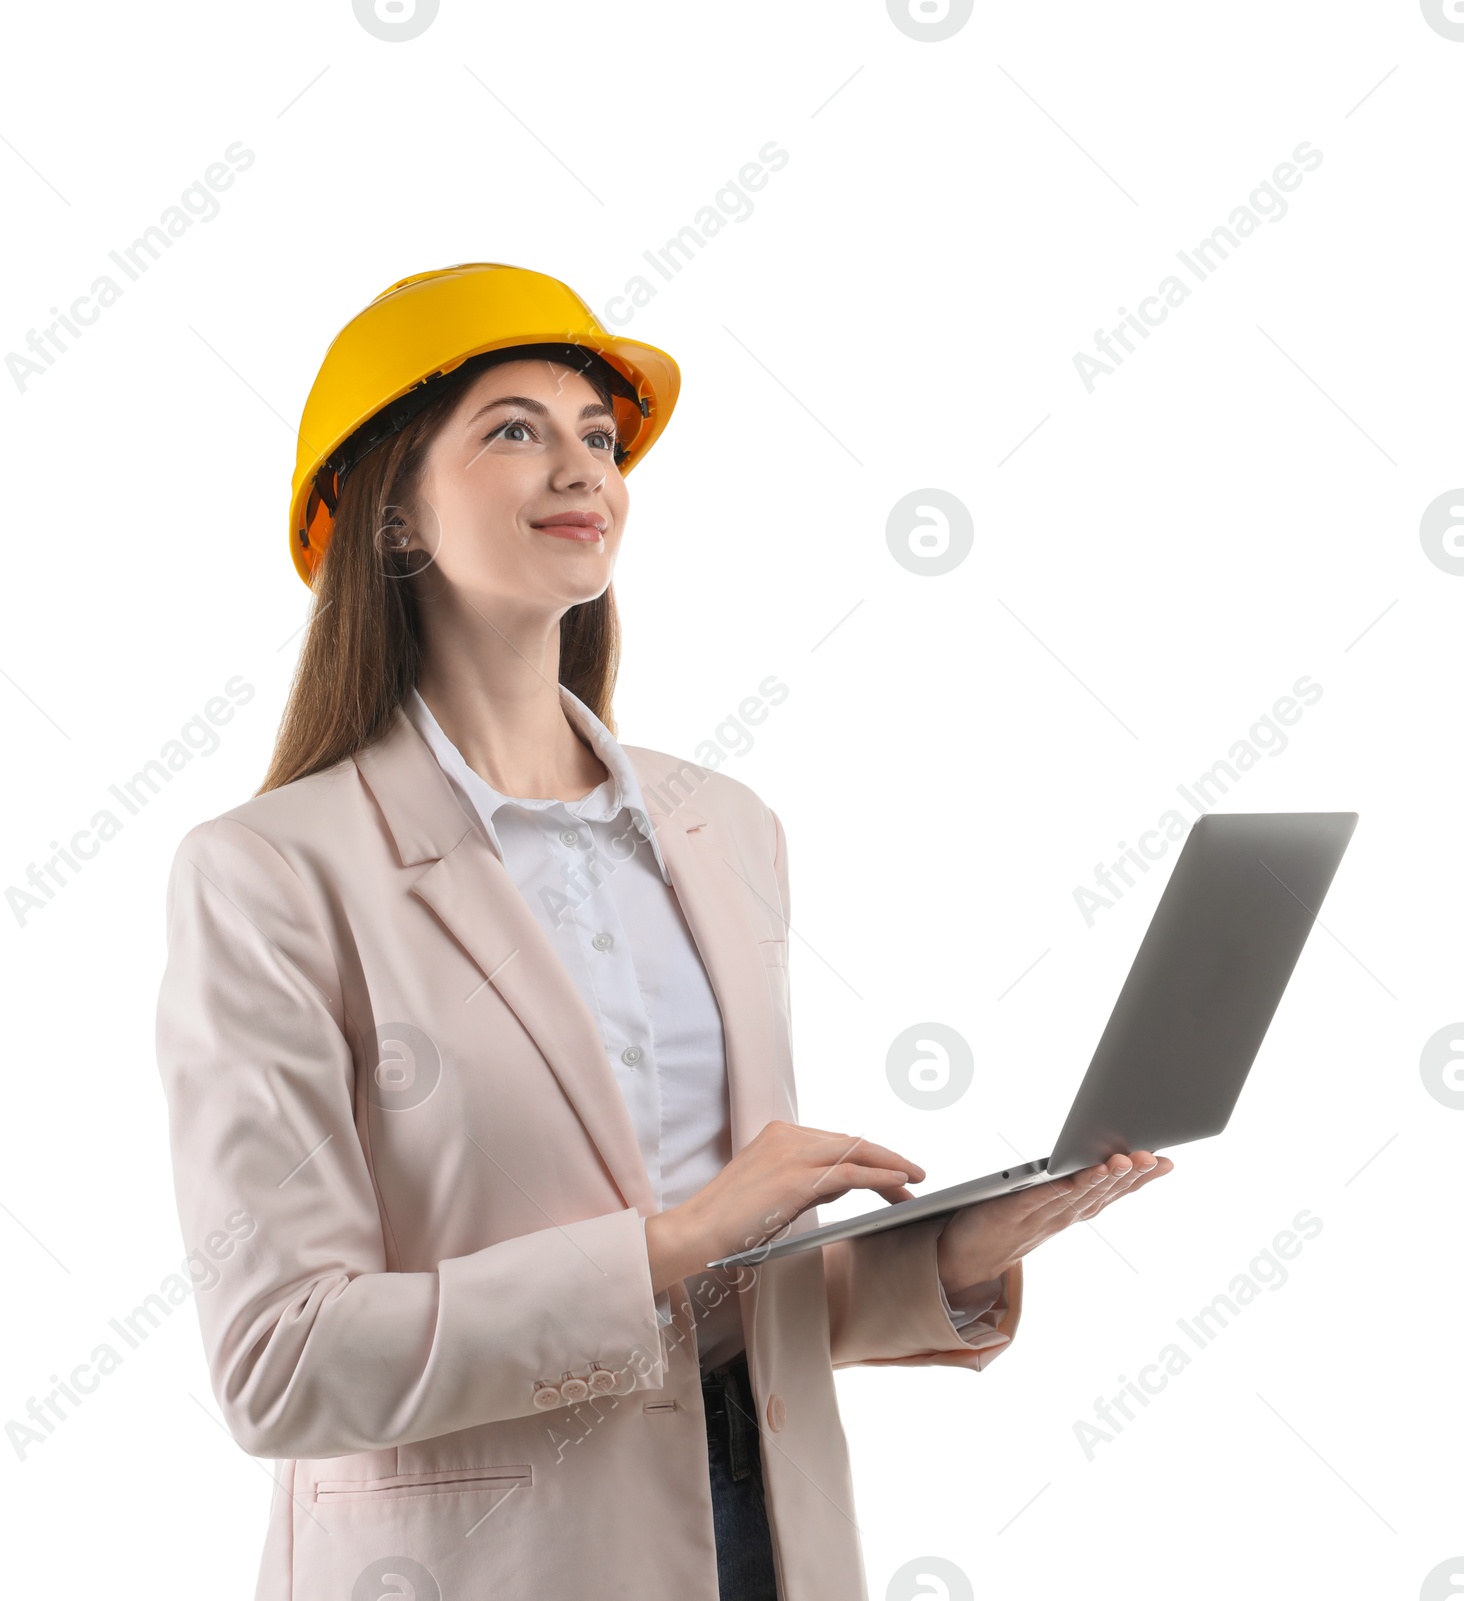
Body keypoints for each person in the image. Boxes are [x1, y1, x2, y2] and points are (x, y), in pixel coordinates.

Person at [153, 262, 1173, 1601]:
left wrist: (957, 1255)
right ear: (390, 511)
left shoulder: (723, 829)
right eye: (513, 427)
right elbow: (283, 1362)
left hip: (768, 1537)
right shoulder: (270, 874)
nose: (581, 466)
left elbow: (721, 1304)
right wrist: (669, 1240)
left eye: (597, 435)